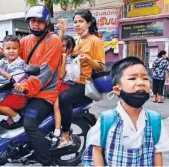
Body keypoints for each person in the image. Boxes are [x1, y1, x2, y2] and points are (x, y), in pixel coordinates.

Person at [0, 5, 62, 165]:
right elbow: (11, 55)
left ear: (46, 23)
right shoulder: (25, 40)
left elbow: (46, 71)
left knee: (29, 124)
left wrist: (25, 86)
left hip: (44, 92)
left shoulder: (54, 41)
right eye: (33, 21)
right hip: (24, 90)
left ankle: (46, 161)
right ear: (28, 22)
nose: (36, 25)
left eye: (40, 21)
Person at [82, 56, 169, 166]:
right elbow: (97, 151)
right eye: (132, 78)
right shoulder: (107, 120)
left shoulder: (154, 121)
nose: (141, 82)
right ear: (116, 89)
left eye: (145, 78)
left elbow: (157, 154)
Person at [57, 9, 105, 149]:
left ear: (89, 23)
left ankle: (65, 135)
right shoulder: (76, 40)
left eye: (81, 21)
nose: (77, 25)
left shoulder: (95, 41)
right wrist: (62, 32)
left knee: (63, 97)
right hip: (70, 81)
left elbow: (101, 67)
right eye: (75, 22)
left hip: (84, 83)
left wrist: (89, 61)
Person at [51, 35, 77, 148]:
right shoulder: (57, 56)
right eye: (61, 46)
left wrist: (64, 59)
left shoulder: (74, 60)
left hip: (66, 86)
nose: (62, 48)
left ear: (71, 48)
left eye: (65, 46)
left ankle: (60, 131)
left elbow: (62, 75)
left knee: (57, 103)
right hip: (56, 84)